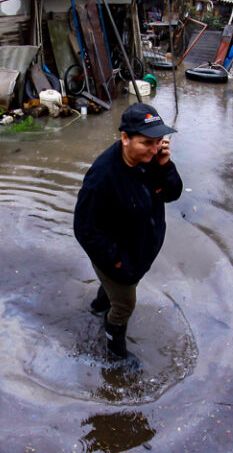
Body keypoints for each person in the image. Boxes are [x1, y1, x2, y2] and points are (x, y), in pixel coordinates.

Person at [74, 103, 183, 359]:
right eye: (146, 142)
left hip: (140, 249)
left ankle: (98, 306)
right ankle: (116, 352)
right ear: (125, 138)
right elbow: (84, 228)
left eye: (158, 142)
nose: (154, 149)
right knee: (124, 305)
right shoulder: (101, 177)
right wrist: (117, 261)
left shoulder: (153, 160)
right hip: (119, 258)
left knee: (112, 294)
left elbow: (172, 194)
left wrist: (165, 166)